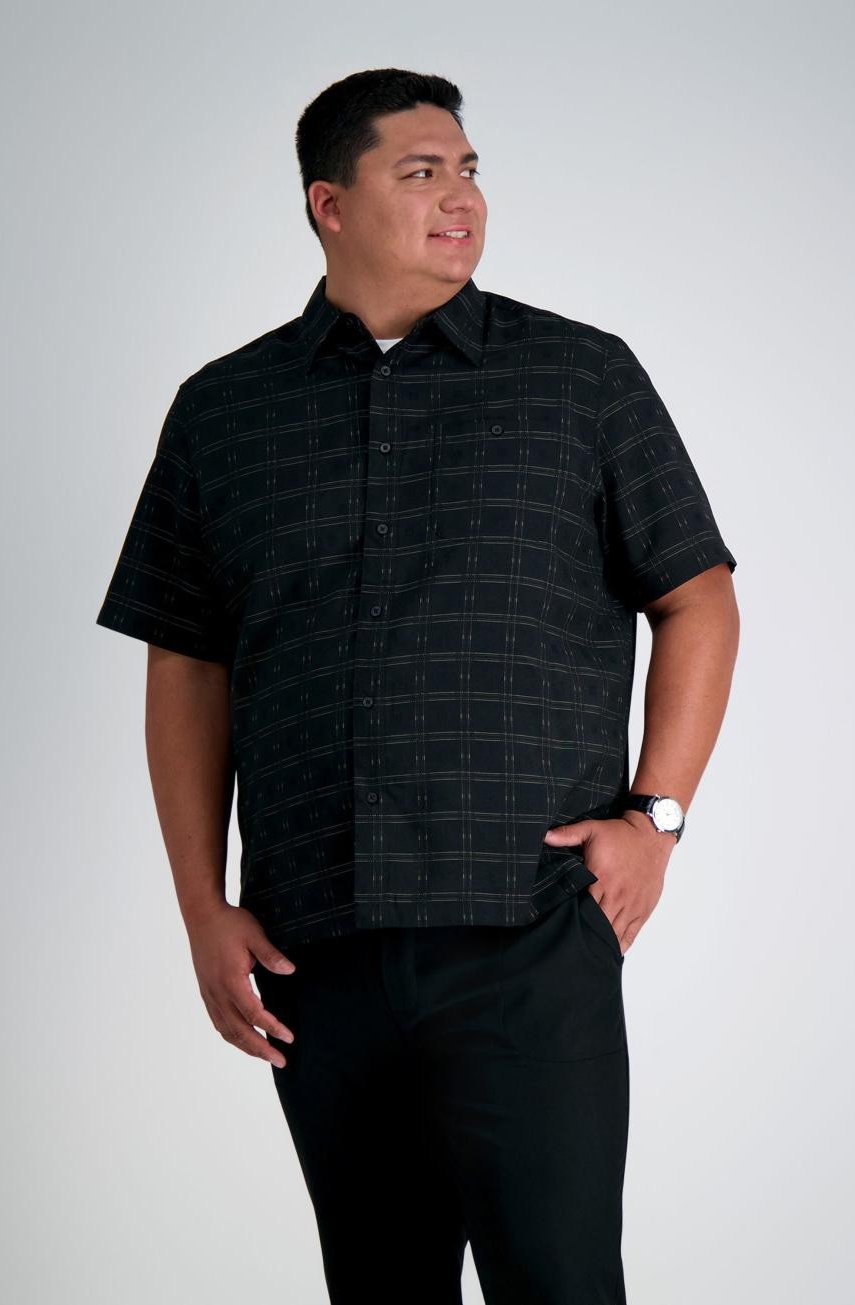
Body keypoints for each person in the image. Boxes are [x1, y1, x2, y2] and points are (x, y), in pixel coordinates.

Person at [95, 67, 740, 1305]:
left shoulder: (579, 378)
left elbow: (697, 596)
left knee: (559, 1284)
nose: (462, 198)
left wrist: (655, 819)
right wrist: (200, 905)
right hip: (315, 946)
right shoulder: (224, 412)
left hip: (526, 922)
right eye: (422, 171)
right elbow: (187, 661)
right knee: (379, 1288)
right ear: (330, 204)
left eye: (470, 171)